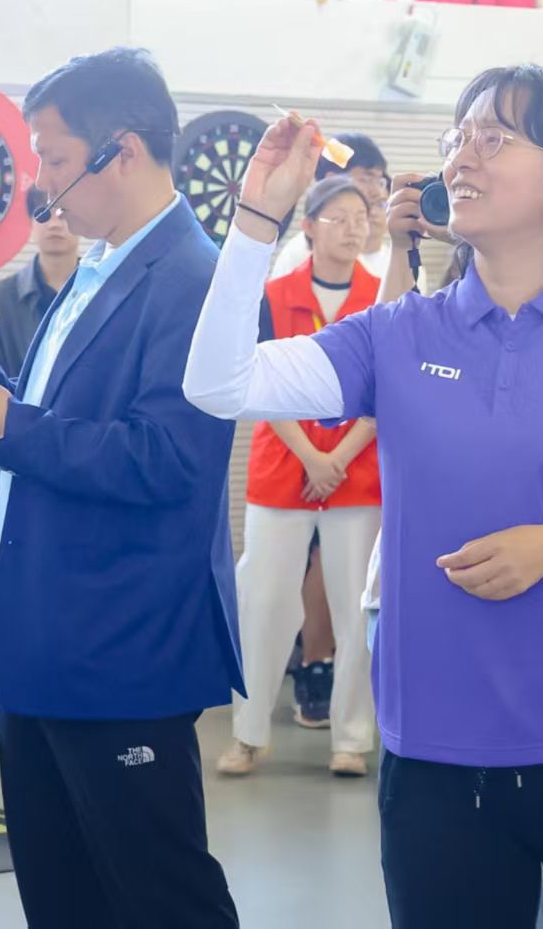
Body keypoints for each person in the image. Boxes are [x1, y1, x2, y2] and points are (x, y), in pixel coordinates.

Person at [184, 64, 543, 929]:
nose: (460, 157)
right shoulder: (398, 334)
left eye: (495, 138)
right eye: (458, 136)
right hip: (436, 753)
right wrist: (257, 219)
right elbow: (218, 385)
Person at [0, 47, 241, 928]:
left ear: (121, 150)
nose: (43, 186)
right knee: (62, 892)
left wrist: (9, 427)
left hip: (119, 639)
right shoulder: (99, 266)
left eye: (55, 159)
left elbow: (166, 459)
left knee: (160, 893)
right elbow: (72, 412)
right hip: (47, 633)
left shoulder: (196, 281)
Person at [219, 175, 384, 780]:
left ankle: (352, 739)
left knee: (355, 607)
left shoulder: (383, 296)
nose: (353, 228)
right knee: (263, 602)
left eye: (361, 217)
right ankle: (248, 735)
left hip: (357, 472)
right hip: (284, 466)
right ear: (309, 226)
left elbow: (388, 389)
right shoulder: (273, 294)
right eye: (338, 217)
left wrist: (338, 457)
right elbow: (255, 380)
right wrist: (313, 456)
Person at [0, 189, 80, 747]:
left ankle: (51, 693)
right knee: (3, 576)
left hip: (76, 456)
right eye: (43, 213)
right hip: (18, 456)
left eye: (64, 211)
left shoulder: (95, 290)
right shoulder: (3, 297)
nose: (56, 223)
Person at [273, 131, 393, 279]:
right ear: (331, 181)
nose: (377, 192)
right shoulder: (302, 254)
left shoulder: (394, 261)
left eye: (379, 181)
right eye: (365, 179)